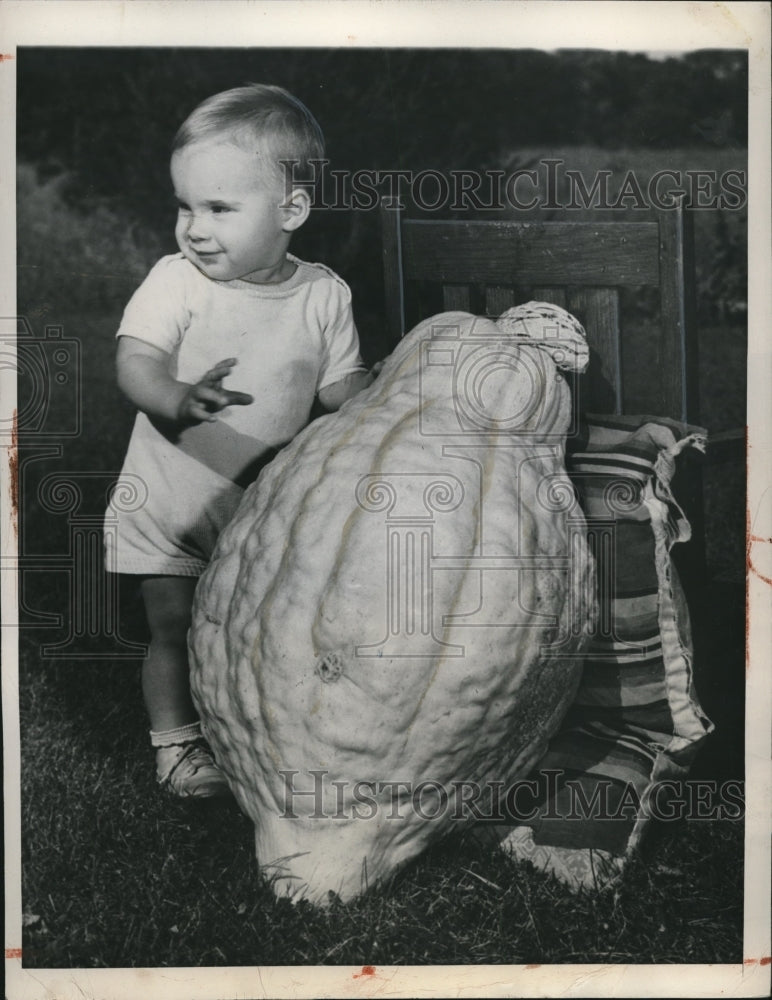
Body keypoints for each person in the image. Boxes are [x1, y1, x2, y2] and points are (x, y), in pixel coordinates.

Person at [105, 84, 372, 798]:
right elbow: (135, 360)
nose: (193, 228)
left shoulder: (324, 296)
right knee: (174, 624)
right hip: (171, 501)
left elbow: (342, 388)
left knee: (257, 626)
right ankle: (176, 745)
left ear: (291, 210)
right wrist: (178, 397)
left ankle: (252, 734)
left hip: (260, 509)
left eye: (219, 209)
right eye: (186, 206)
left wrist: (386, 398)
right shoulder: (178, 282)